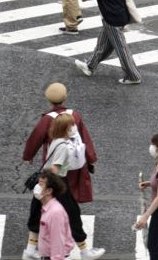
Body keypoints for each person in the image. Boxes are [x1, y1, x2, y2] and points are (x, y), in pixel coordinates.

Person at [23, 113, 104, 260]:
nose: (74, 127)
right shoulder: (63, 146)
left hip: (46, 181)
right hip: (56, 182)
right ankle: (85, 252)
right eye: (71, 125)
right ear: (65, 128)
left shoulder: (56, 140)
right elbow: (55, 169)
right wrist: (50, 186)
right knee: (72, 213)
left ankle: (30, 249)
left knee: (36, 212)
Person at [22, 83, 99, 219]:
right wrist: (91, 158)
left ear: (49, 100)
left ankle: (55, 216)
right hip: (75, 160)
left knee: (55, 189)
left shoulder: (47, 119)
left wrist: (28, 155)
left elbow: (36, 137)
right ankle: (68, 216)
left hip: (56, 161)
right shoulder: (74, 115)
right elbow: (84, 138)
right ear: (65, 97)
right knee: (71, 190)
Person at [74, 0, 141, 84]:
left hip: (112, 20)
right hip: (119, 14)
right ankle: (90, 66)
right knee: (103, 44)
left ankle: (133, 76)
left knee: (121, 48)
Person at [33, 172, 75, 260]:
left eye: (40, 184)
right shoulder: (47, 208)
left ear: (49, 191)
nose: (36, 187)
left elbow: (58, 241)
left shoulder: (55, 212)